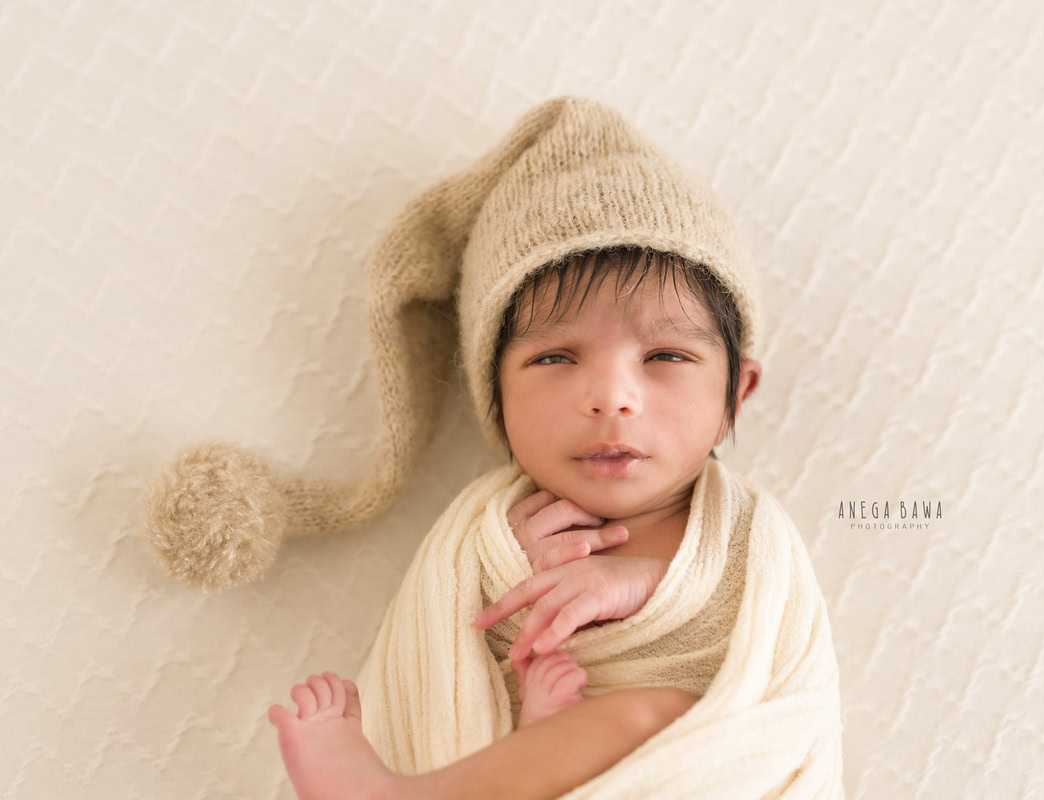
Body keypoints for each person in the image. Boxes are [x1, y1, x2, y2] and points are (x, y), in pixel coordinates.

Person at [267, 245, 762, 799]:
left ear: (734, 397)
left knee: (665, 717)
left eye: (666, 356)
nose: (610, 398)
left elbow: (768, 650)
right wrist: (507, 581)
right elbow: (453, 661)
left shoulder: (745, 529)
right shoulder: (487, 533)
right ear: (495, 397)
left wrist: (651, 580)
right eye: (554, 358)